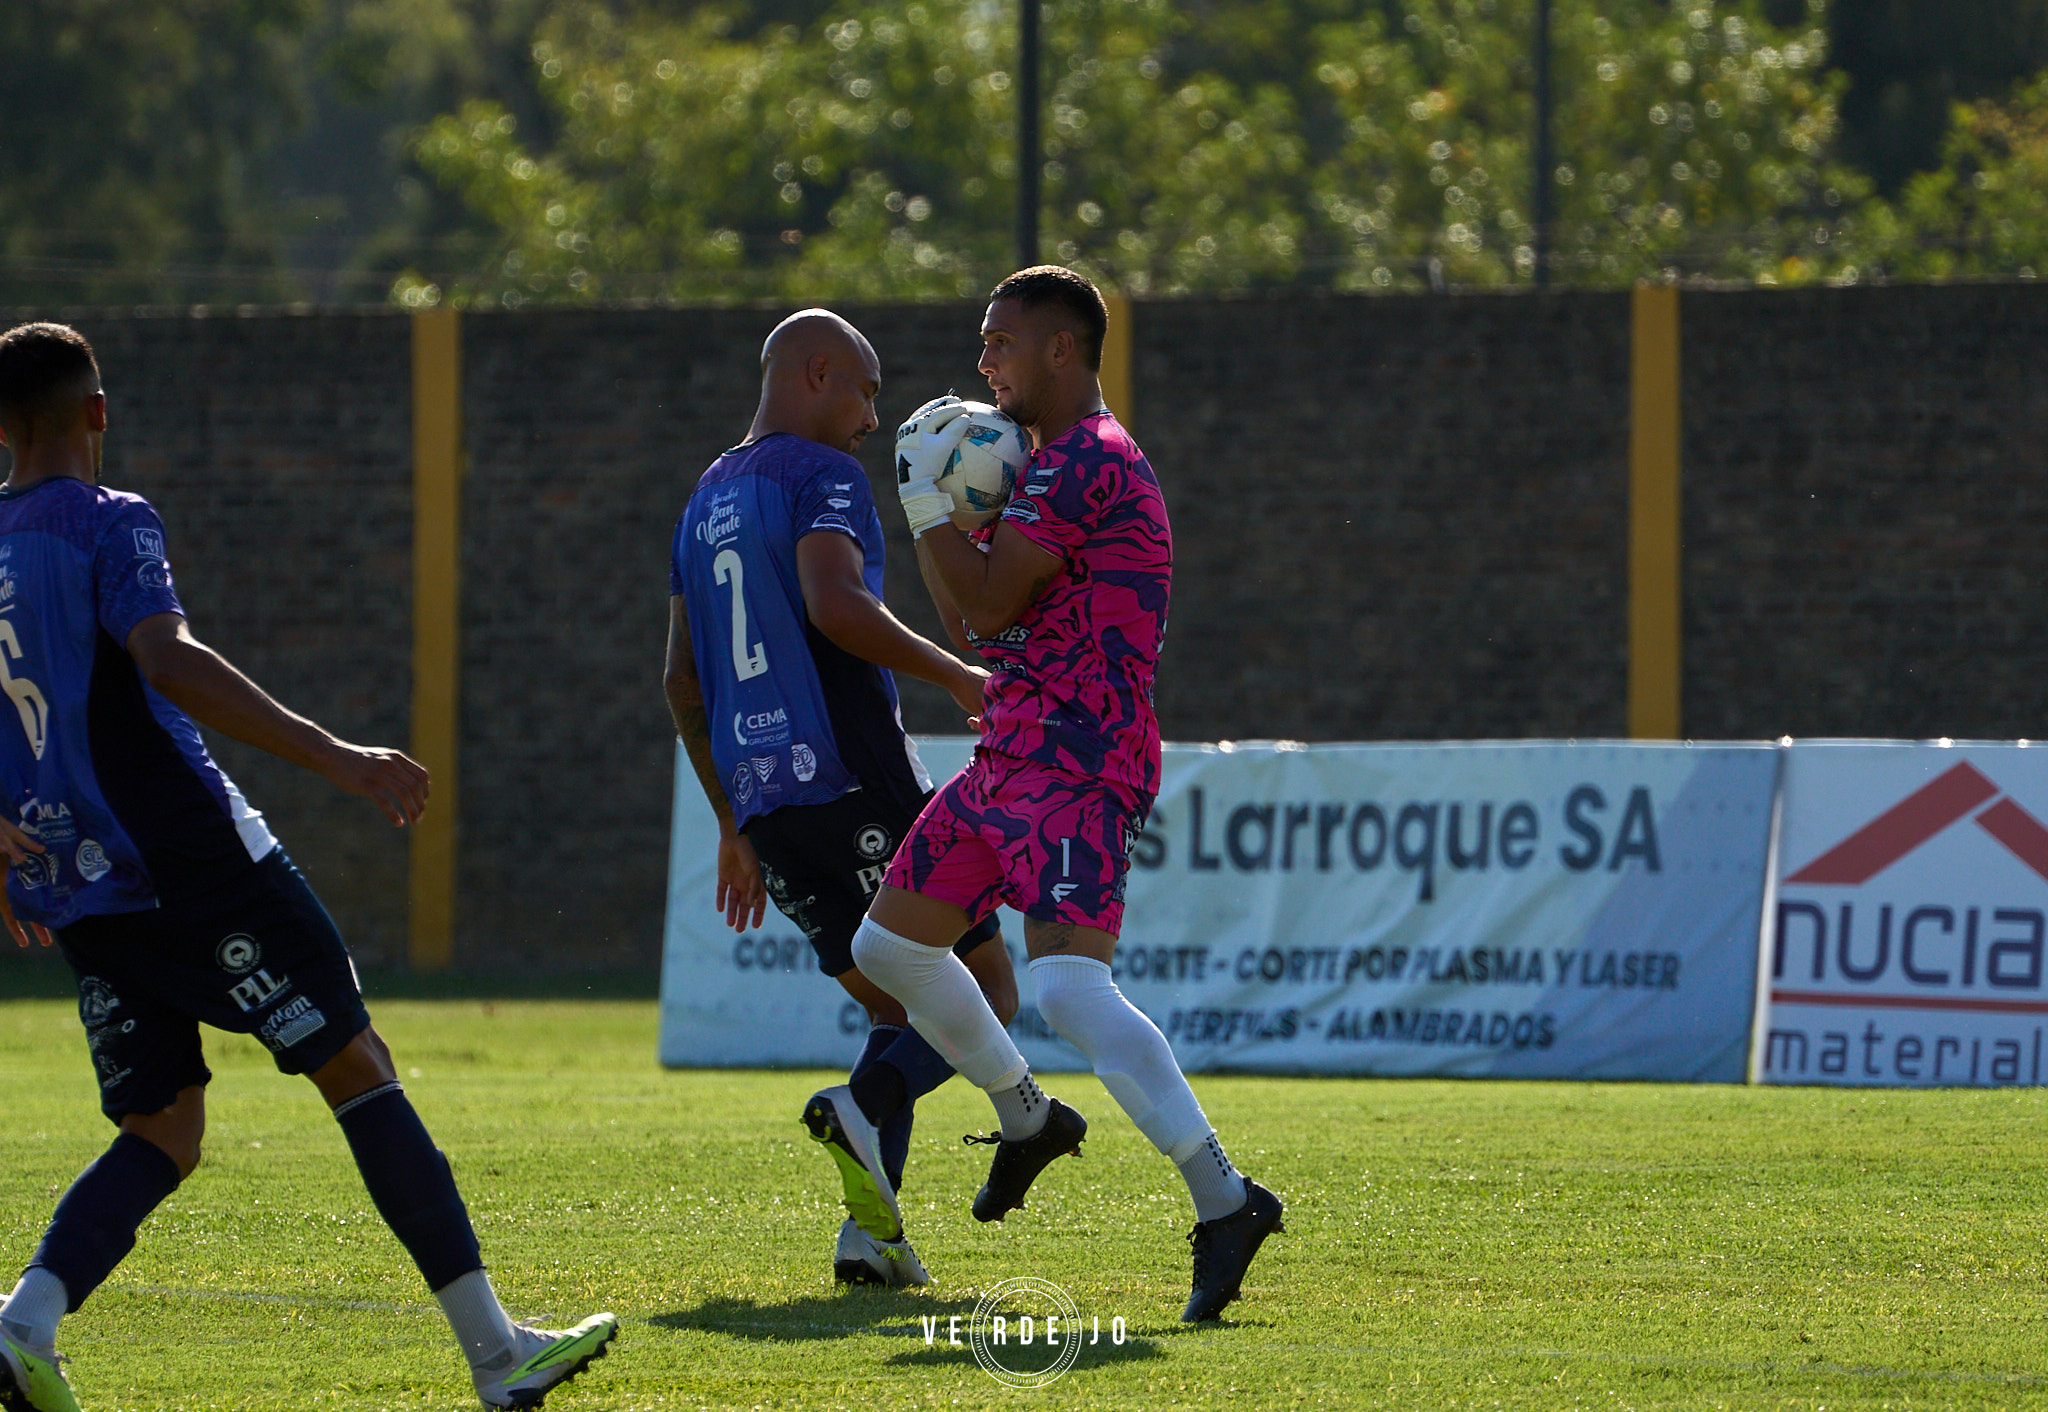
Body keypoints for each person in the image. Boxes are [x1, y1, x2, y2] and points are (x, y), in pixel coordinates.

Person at [0, 323, 616, 1412]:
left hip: (73, 876)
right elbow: (166, 655)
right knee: (357, 1064)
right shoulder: (110, 521)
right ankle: (495, 1350)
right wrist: (336, 753)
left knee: (164, 1125)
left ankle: (23, 1323)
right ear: (99, 412)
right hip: (186, 856)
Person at [862, 267, 1284, 1321]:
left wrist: (923, 497)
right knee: (888, 947)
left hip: (1077, 759)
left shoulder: (1087, 460)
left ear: (1061, 350)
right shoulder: (1046, 463)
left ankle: (1224, 1197)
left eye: (999, 341)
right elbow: (989, 614)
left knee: (1064, 990)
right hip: (1009, 750)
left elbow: (985, 609)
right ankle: (1024, 1117)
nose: (983, 360)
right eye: (981, 341)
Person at [663, 308, 1018, 1288]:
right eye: (865, 390)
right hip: (855, 773)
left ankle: (870, 1238)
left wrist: (733, 825)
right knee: (986, 989)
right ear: (817, 373)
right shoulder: (822, 476)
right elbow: (834, 606)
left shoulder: (701, 499)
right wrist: (956, 673)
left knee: (897, 1008)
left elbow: (680, 682)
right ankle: (860, 1117)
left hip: (768, 807)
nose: (871, 418)